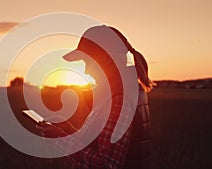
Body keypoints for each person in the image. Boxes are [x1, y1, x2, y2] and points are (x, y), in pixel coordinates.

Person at [37, 25, 154, 169]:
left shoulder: (119, 100)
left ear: (106, 60)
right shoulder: (124, 91)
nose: (86, 71)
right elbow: (99, 143)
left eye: (88, 62)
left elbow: (106, 165)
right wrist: (68, 130)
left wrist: (60, 138)